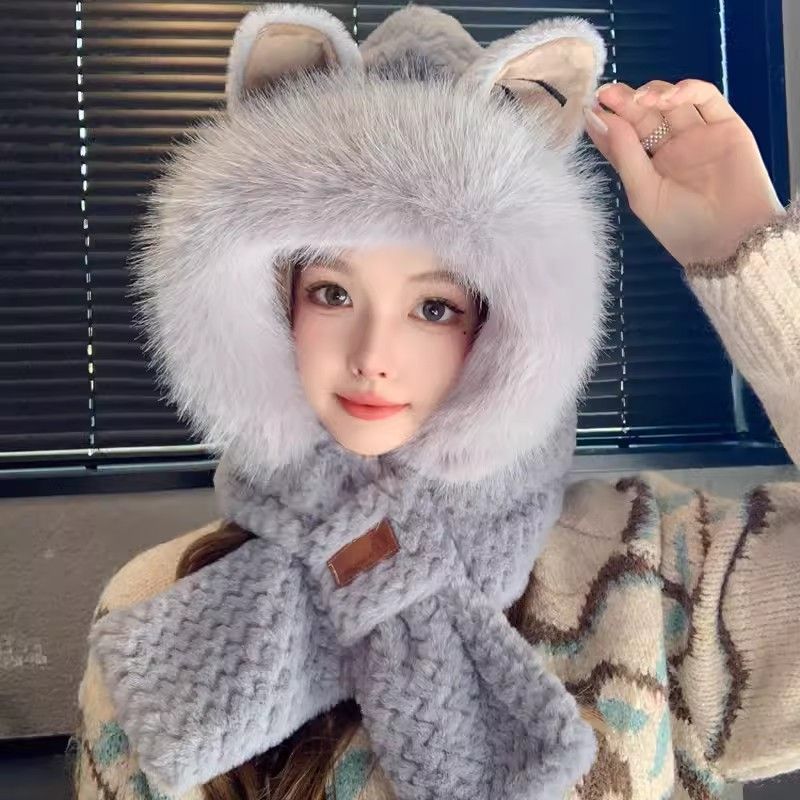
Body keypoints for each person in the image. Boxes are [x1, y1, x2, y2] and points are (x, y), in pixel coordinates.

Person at [72, 5, 799, 800]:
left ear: (511, 329)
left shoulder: (662, 564)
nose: (372, 356)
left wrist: (745, 251)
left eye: (433, 307)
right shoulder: (161, 600)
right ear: (268, 305)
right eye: (332, 292)